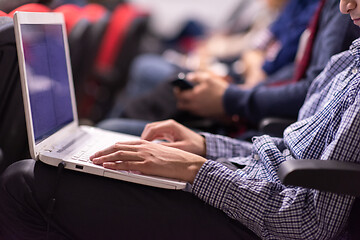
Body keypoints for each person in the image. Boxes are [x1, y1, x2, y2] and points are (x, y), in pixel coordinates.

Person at [1, 0, 360, 239]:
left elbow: (306, 222)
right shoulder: (350, 59)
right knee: (88, 155)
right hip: (250, 179)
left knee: (24, 183)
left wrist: (194, 170)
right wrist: (205, 145)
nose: (345, 5)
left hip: (261, 220)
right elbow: (289, 147)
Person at [108, 0, 359, 139]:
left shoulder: (342, 15)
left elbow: (309, 95)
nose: (345, 6)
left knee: (115, 129)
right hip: (258, 119)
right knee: (159, 85)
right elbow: (283, 65)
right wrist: (238, 92)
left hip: (264, 131)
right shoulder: (321, 7)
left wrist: (233, 98)